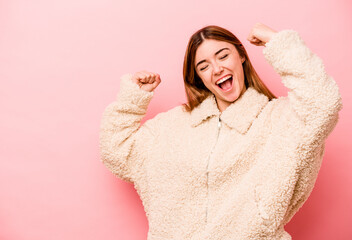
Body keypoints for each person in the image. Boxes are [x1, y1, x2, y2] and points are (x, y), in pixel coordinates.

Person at [99, 23, 343, 240]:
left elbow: (322, 104)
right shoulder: (172, 127)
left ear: (241, 56)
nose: (216, 69)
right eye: (204, 66)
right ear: (198, 78)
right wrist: (132, 100)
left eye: (223, 56)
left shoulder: (279, 119)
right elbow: (117, 153)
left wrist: (279, 44)